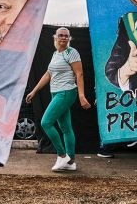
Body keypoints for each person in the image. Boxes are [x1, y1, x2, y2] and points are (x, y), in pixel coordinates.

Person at [26, 27, 91, 172]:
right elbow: (48, 74)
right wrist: (34, 91)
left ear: (69, 38)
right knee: (66, 128)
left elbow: (79, 74)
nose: (63, 38)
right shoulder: (56, 54)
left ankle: (62, 155)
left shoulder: (71, 52)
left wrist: (81, 95)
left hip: (66, 92)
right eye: (60, 35)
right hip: (56, 93)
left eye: (66, 36)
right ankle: (71, 161)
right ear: (55, 37)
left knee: (46, 122)